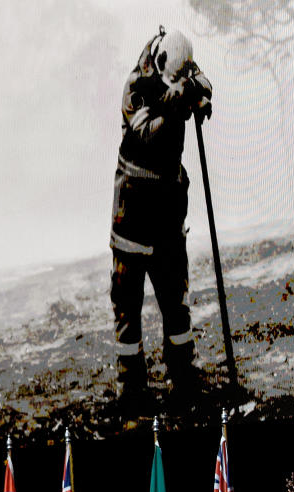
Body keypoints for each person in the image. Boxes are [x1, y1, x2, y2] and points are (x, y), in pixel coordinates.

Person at [110, 26, 213, 413]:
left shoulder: (180, 61)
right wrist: (179, 102)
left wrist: (198, 95)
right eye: (175, 77)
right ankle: (132, 387)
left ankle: (182, 376)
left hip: (169, 215)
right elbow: (148, 134)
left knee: (175, 302)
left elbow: (202, 81)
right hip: (133, 217)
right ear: (160, 62)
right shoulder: (135, 86)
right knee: (127, 304)